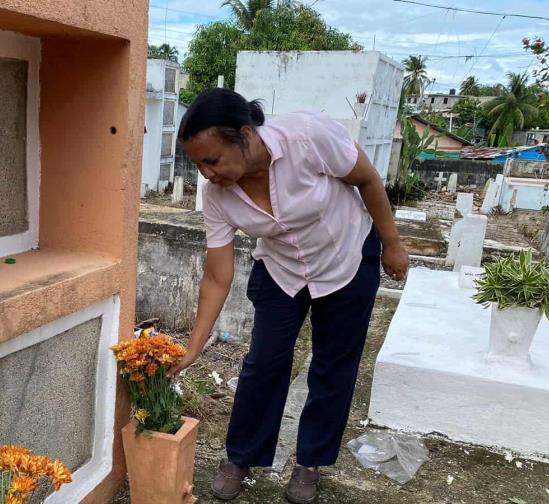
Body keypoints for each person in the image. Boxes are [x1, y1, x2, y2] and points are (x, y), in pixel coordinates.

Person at [167, 88, 409, 503]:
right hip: (282, 270)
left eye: (212, 160)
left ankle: (310, 463)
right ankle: (240, 457)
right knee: (264, 362)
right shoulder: (216, 195)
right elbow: (217, 275)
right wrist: (194, 347)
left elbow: (367, 179)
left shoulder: (308, 137)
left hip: (346, 260)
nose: (206, 173)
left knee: (333, 367)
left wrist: (392, 242)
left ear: (245, 135)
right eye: (197, 164)